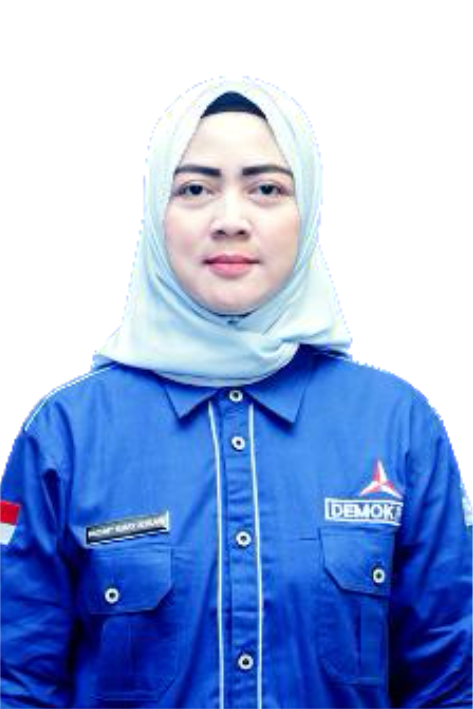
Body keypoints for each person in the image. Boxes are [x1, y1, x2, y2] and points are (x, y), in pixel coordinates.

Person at [0, 76, 471, 709]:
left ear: (308, 211)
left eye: (266, 188)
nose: (229, 221)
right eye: (195, 189)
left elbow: (451, 687)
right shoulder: (64, 435)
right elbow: (17, 685)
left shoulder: (399, 426)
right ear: (156, 212)